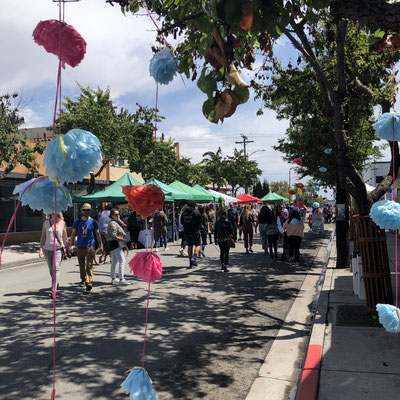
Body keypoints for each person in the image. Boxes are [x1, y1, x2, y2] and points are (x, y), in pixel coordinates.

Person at [70, 203, 103, 292]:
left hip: (90, 246)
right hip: (80, 246)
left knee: (89, 265)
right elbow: (73, 234)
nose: (86, 212)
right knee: (81, 265)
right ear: (82, 211)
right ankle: (83, 279)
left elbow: (97, 233)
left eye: (88, 210)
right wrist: (71, 245)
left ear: (90, 211)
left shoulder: (93, 222)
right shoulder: (77, 221)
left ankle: (89, 282)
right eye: (84, 210)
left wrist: (101, 244)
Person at [39, 212, 69, 298]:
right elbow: (43, 236)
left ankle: (53, 290)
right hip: (47, 250)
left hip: (58, 249)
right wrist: (40, 249)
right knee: (51, 269)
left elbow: (65, 238)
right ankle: (56, 282)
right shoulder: (46, 223)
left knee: (55, 268)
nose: (53, 212)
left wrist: (68, 247)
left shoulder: (63, 223)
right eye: (51, 210)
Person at [107, 208, 130, 285]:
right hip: (115, 243)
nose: (118, 216)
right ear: (112, 215)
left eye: (118, 214)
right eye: (115, 214)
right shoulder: (113, 223)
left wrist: (121, 223)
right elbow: (114, 235)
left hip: (113, 243)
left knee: (114, 261)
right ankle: (121, 279)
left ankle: (113, 278)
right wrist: (122, 239)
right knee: (122, 260)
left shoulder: (114, 222)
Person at [181, 200, 202, 268]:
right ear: (194, 205)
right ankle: (194, 257)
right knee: (198, 245)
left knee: (190, 246)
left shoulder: (184, 212)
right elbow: (200, 222)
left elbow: (181, 222)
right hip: (195, 231)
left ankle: (190, 262)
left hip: (186, 231)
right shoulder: (196, 212)